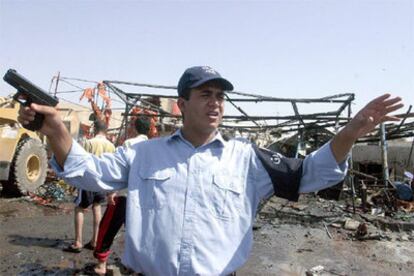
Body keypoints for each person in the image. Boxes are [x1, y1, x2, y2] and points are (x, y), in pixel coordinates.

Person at [19, 66, 403, 275]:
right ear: (182, 104)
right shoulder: (142, 155)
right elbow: (85, 172)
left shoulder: (248, 158)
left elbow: (311, 173)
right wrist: (54, 128)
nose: (216, 103)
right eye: (206, 94)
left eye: (220, 96)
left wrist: (350, 133)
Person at [93, 116, 151, 275]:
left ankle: (101, 264)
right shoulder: (153, 147)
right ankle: (136, 265)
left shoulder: (129, 144)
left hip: (124, 195)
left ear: (134, 128)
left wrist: (112, 191)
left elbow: (120, 171)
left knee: (108, 227)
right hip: (144, 198)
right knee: (137, 232)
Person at [63, 119, 115, 253]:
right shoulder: (111, 145)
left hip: (87, 181)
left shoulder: (88, 143)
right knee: (97, 207)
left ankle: (78, 242)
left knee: (79, 208)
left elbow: (80, 161)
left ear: (95, 129)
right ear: (106, 130)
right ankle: (94, 241)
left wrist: (74, 181)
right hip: (102, 181)